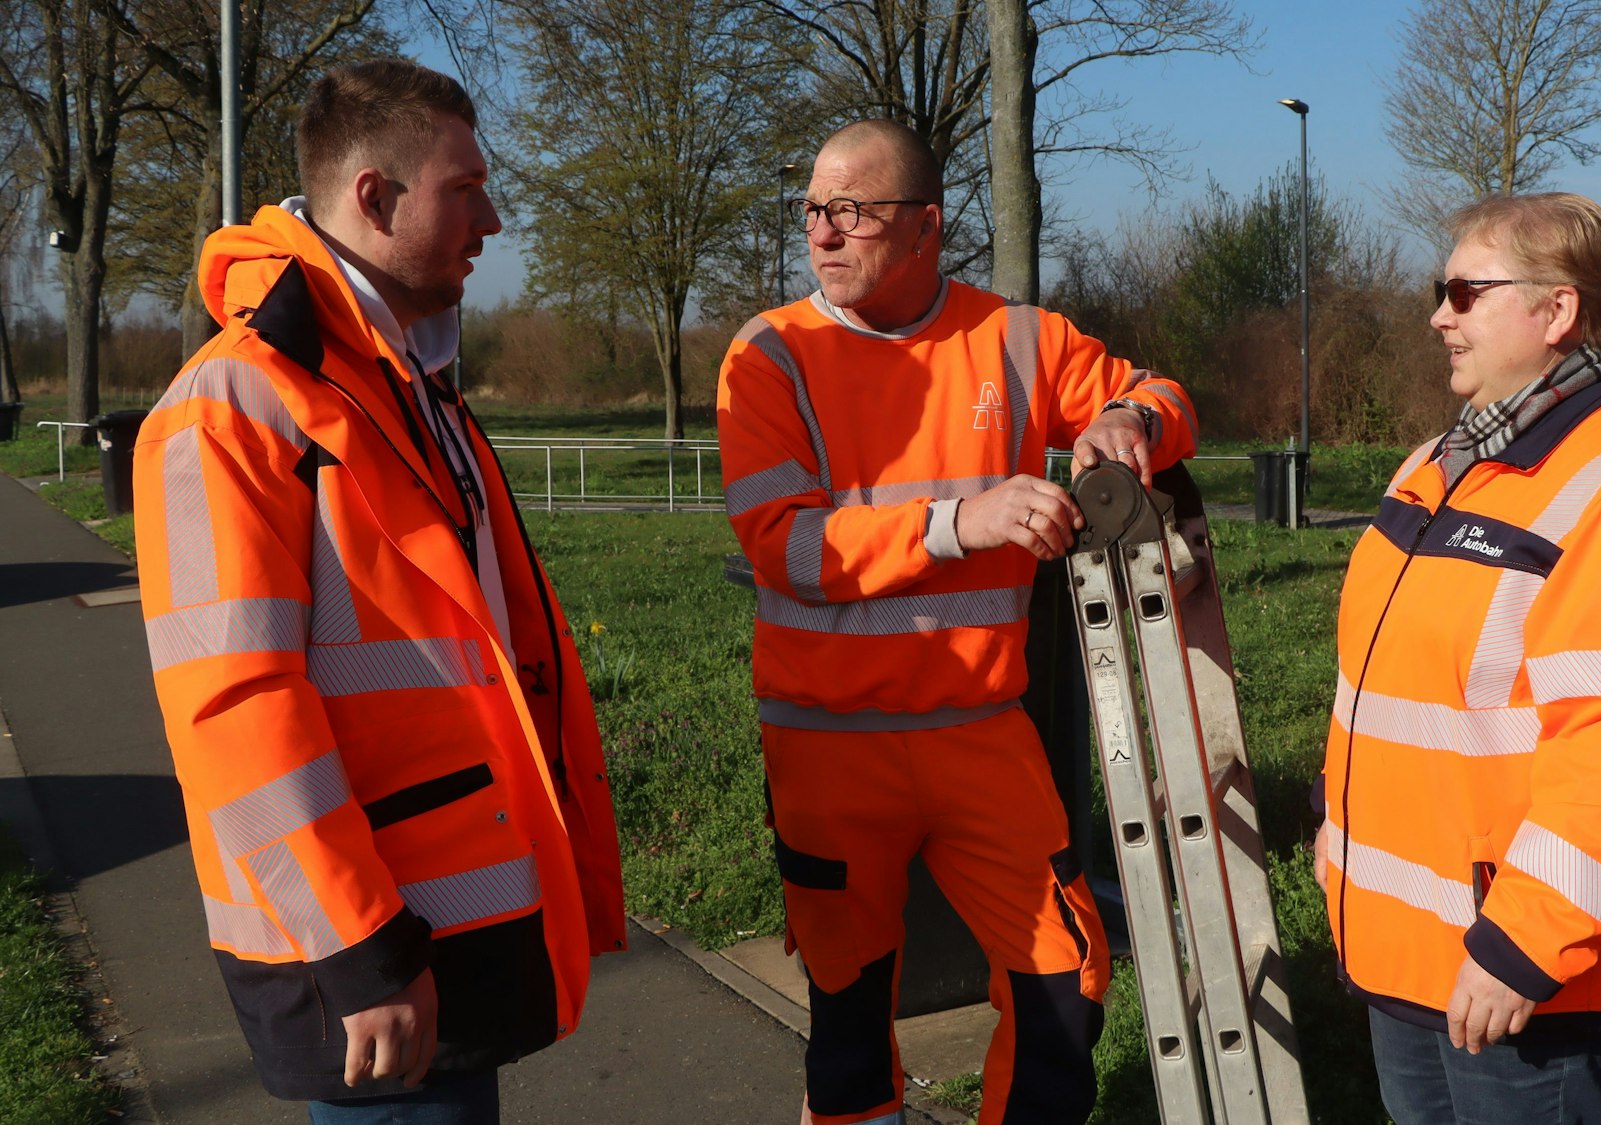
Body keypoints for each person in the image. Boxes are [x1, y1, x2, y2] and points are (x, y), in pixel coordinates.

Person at [131, 59, 625, 1122]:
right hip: (374, 958)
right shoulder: (233, 409)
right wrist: (360, 952)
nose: (491, 218)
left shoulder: (405, 388)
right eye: (466, 188)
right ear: (374, 196)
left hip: (452, 929)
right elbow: (234, 713)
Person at [717, 118, 1197, 1124]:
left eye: (853, 211)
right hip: (827, 746)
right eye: (812, 210)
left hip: (981, 731)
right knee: (848, 1016)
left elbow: (1156, 391)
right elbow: (784, 549)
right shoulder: (770, 354)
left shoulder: (1018, 338)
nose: (823, 233)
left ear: (927, 226)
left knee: (1066, 978)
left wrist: (1131, 421)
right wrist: (957, 523)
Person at [1315, 192, 1601, 1124]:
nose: (1437, 314)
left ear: (1558, 309)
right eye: (1440, 288)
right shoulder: (1437, 462)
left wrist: (1520, 947)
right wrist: (1335, 831)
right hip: (1404, 948)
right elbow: (1386, 684)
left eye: (1465, 290)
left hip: (1520, 976)